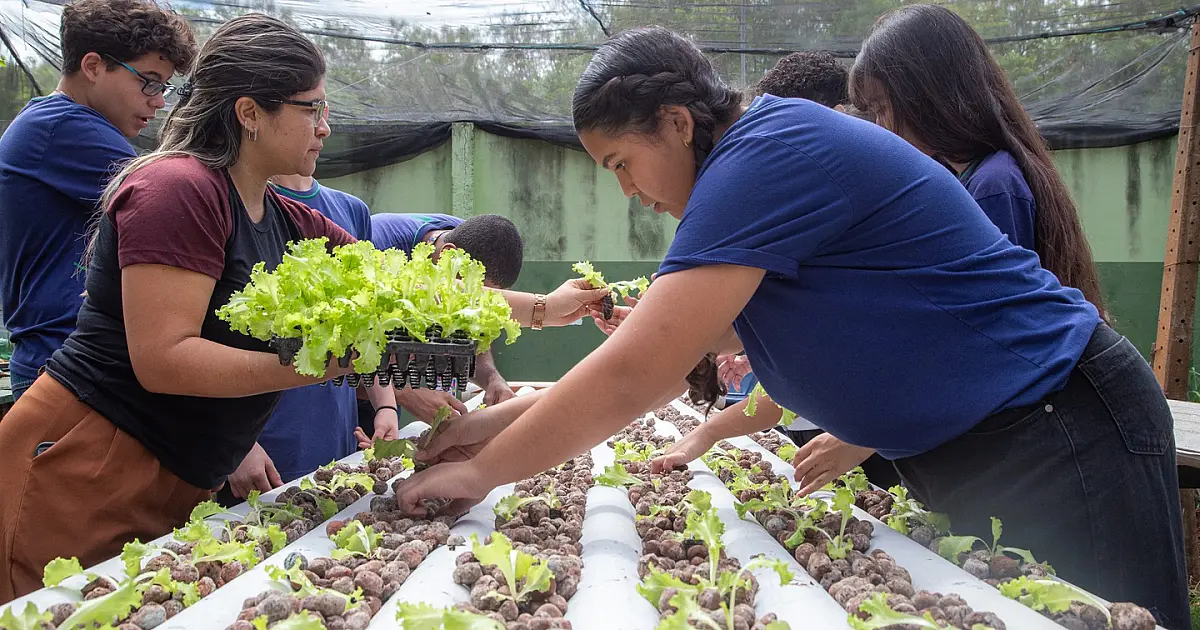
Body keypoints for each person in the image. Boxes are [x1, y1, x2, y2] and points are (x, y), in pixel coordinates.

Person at [395, 26, 1187, 628]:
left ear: (676, 122)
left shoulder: (761, 156)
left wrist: (480, 473)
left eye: (620, 164)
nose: (630, 192)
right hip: (996, 443)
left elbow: (637, 375)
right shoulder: (748, 169)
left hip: (1058, 427)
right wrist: (490, 424)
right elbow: (672, 366)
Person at [0, 14, 604, 603]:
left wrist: (545, 309)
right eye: (311, 108)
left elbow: (406, 289)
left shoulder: (289, 220)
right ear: (250, 114)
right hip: (87, 458)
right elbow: (165, 359)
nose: (325, 128)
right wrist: (323, 362)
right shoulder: (177, 190)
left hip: (176, 469)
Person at [791, 2, 1116, 514]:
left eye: (881, 108)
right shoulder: (970, 178)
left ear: (930, 94)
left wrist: (861, 437)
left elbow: (973, 343)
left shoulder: (993, 186)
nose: (879, 127)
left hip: (1035, 437)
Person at [0, 0, 196, 402]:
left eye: (164, 87)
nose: (158, 101)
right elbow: (177, 196)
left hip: (74, 365)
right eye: (149, 81)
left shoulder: (58, 127)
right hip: (65, 369)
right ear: (92, 66)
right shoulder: (62, 128)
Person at [221, 174, 404, 500]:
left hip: (336, 438)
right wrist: (233, 443)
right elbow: (200, 341)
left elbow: (366, 328)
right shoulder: (228, 208)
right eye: (310, 117)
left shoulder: (350, 210)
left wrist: (385, 407)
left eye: (323, 117)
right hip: (263, 451)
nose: (323, 129)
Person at [370, 212, 522, 407]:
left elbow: (473, 331)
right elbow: (346, 357)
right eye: (474, 293)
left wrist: (492, 379)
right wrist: (405, 394)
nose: (472, 305)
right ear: (447, 256)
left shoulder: (467, 246)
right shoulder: (378, 243)